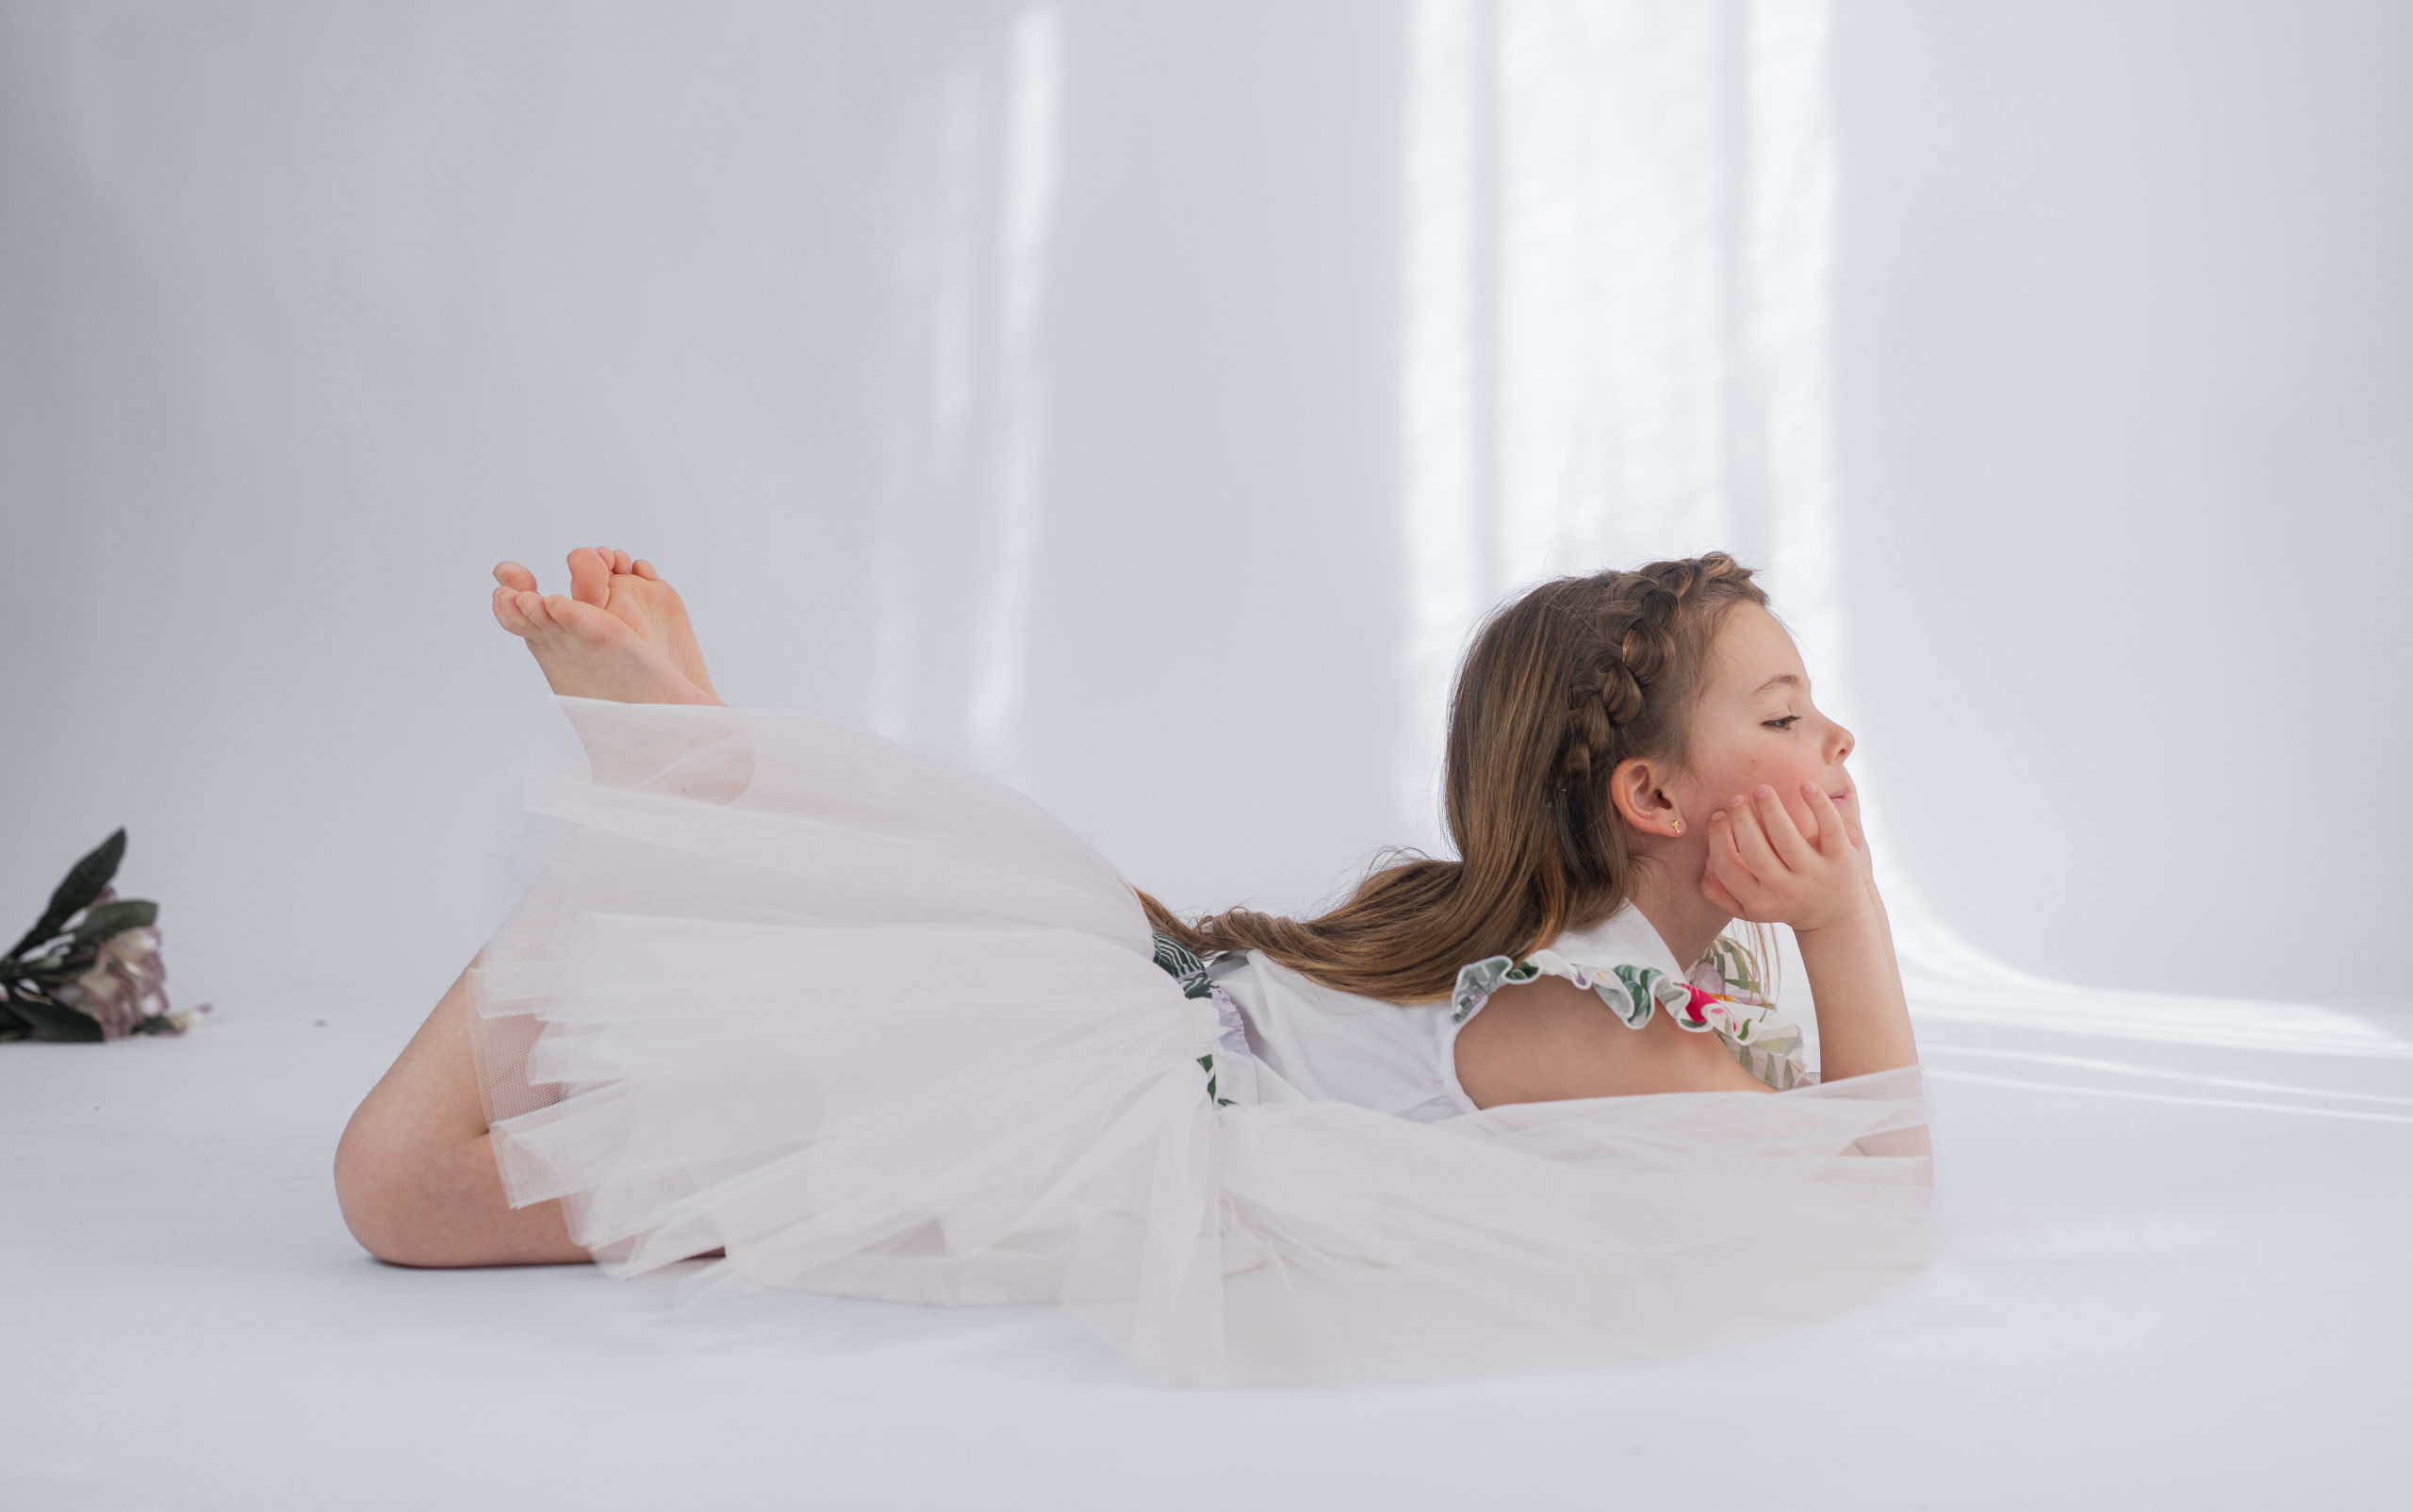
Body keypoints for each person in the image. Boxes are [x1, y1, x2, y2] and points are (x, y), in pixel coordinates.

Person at [335, 548, 1929, 1384]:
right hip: (1083, 1108)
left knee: (624, 1145)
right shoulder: (1603, 1031)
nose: (1837, 736)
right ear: (1650, 797)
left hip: (1101, 1015)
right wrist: (1844, 923)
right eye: (1785, 715)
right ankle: (661, 794)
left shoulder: (1557, 974)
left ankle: (687, 793)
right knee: (410, 1190)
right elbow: (1877, 1200)